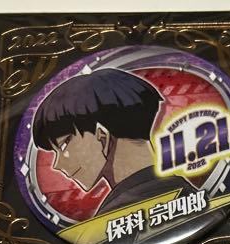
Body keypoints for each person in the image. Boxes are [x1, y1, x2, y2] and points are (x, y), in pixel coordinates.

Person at [32, 67, 192, 217]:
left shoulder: (118, 213)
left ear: (102, 136)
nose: (57, 165)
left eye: (63, 145)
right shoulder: (187, 193)